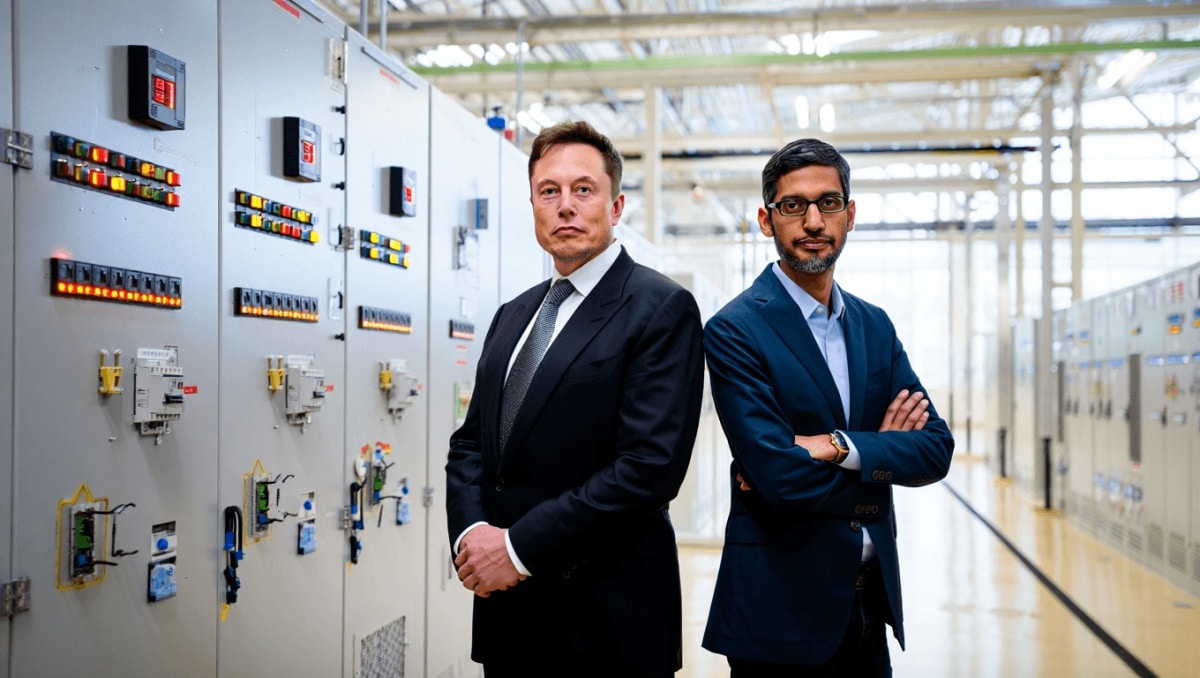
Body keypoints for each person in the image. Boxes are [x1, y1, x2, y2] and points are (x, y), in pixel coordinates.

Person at [445, 120, 705, 677]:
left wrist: (515, 550)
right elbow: (471, 444)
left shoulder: (660, 309)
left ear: (615, 207)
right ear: (534, 205)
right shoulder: (514, 314)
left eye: (583, 189)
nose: (565, 206)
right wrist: (472, 539)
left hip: (605, 624)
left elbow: (647, 470)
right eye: (549, 191)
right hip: (509, 617)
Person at [701, 137, 955, 677]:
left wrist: (838, 446)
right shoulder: (735, 329)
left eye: (829, 202)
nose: (813, 220)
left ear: (850, 214)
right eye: (794, 205)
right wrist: (881, 455)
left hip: (869, 606)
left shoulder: (874, 326)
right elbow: (777, 477)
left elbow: (935, 450)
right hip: (778, 614)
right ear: (768, 221)